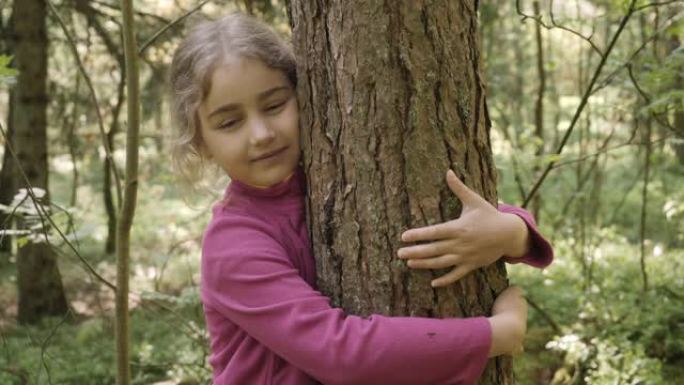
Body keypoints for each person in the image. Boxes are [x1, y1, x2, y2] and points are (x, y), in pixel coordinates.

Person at [169, 13, 553, 385]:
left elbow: (447, 221)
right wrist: (495, 335)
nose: (261, 134)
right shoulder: (233, 247)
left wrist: (511, 231)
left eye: (274, 105)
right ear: (201, 143)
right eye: (229, 122)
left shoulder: (334, 178)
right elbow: (341, 352)